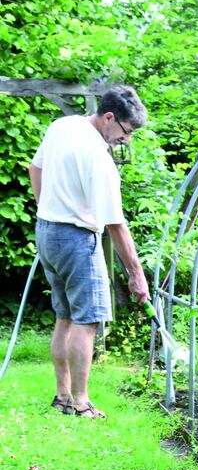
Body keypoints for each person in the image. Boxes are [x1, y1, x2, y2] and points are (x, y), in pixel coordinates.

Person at [28, 85, 151, 420]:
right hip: (77, 239)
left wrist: (47, 207)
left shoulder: (62, 126)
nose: (127, 140)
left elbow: (34, 169)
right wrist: (137, 277)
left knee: (64, 317)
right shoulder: (98, 158)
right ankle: (82, 403)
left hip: (48, 231)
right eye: (126, 132)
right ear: (109, 117)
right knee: (87, 322)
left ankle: (62, 396)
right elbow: (116, 225)